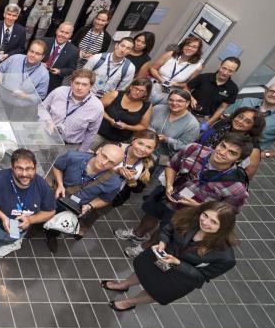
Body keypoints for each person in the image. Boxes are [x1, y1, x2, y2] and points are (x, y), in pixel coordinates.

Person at [116, 133, 251, 257]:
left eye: (231, 153)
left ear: (238, 160)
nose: (222, 152)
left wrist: (199, 207)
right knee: (151, 214)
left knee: (165, 230)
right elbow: (172, 165)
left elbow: (228, 212)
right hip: (167, 194)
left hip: (189, 212)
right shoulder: (194, 150)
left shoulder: (236, 187)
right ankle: (138, 233)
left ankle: (144, 246)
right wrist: (169, 184)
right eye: (223, 146)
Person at [103, 201, 237, 311]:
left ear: (224, 227)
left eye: (214, 222)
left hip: (179, 278)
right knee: (142, 271)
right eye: (205, 215)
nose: (205, 222)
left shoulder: (225, 256)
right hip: (162, 255)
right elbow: (167, 230)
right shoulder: (189, 218)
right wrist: (163, 241)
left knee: (155, 292)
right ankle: (124, 284)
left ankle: (129, 303)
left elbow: (201, 277)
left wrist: (178, 263)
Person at [0, 148, 55, 271]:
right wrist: (2, 216)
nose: (24, 173)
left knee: (1, 243)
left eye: (29, 168)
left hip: (19, 229)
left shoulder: (41, 186)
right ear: (12, 168)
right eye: (20, 168)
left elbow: (50, 211)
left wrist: (30, 220)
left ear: (35, 168)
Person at [45, 144, 124, 249]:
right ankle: (35, 228)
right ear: (99, 150)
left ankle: (52, 235)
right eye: (104, 156)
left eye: (111, 162)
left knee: (58, 225)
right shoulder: (73, 157)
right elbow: (57, 166)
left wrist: (90, 205)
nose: (104, 163)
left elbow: (105, 199)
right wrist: (60, 184)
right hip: (56, 194)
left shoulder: (114, 183)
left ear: (116, 166)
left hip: (73, 207)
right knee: (41, 212)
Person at [224, 82, 275, 160]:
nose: (273, 94)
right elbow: (225, 116)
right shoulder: (246, 101)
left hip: (244, 157)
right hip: (222, 142)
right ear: (265, 92)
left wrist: (264, 154)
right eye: (271, 91)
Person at [38, 69, 104, 152]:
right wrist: (48, 121)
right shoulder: (59, 92)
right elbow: (42, 108)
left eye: (84, 85)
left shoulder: (97, 107)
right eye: (77, 83)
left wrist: (79, 153)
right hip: (44, 137)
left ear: (91, 86)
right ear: (71, 83)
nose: (79, 88)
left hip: (67, 148)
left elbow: (91, 133)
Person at [198, 107, 264, 180]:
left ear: (253, 127)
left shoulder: (253, 149)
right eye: (240, 117)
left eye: (247, 122)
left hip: (216, 178)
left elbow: (247, 175)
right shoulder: (222, 124)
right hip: (198, 161)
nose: (240, 121)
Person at [107, 130, 159, 208]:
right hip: (94, 189)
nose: (142, 149)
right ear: (133, 140)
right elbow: (94, 166)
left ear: (153, 150)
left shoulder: (150, 164)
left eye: (149, 147)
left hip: (113, 199)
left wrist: (131, 181)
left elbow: (138, 190)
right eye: (140, 143)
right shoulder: (117, 147)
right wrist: (116, 170)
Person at [93, 79, 153, 148]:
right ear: (131, 87)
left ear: (146, 93)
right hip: (98, 132)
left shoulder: (147, 106)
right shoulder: (116, 94)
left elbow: (143, 126)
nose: (137, 92)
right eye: (136, 88)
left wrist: (127, 126)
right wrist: (110, 119)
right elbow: (97, 108)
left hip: (119, 141)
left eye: (142, 91)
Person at [149, 89, 200, 166]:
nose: (174, 103)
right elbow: (146, 124)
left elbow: (186, 146)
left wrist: (167, 140)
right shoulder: (158, 109)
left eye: (179, 101)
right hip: (146, 146)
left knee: (156, 173)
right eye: (171, 100)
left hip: (166, 156)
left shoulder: (192, 124)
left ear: (187, 103)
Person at [148, 35, 204, 105]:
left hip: (170, 93)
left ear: (198, 50)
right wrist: (161, 79)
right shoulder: (170, 54)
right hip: (154, 85)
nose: (189, 48)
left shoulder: (197, 66)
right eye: (187, 45)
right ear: (183, 46)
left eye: (194, 47)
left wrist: (176, 84)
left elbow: (188, 85)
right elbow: (153, 68)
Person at [187, 57, 241, 124]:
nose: (225, 72)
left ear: (234, 72)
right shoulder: (204, 77)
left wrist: (209, 123)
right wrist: (191, 98)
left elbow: (222, 108)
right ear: (220, 65)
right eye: (224, 68)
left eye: (230, 71)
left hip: (203, 119)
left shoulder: (233, 89)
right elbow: (186, 89)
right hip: (186, 111)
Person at [42, 22, 79, 95]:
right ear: (57, 31)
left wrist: (60, 71)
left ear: (70, 35)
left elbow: (72, 69)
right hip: (36, 76)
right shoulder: (44, 41)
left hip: (52, 83)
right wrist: (39, 63)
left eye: (66, 33)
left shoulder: (74, 51)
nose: (62, 35)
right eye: (61, 31)